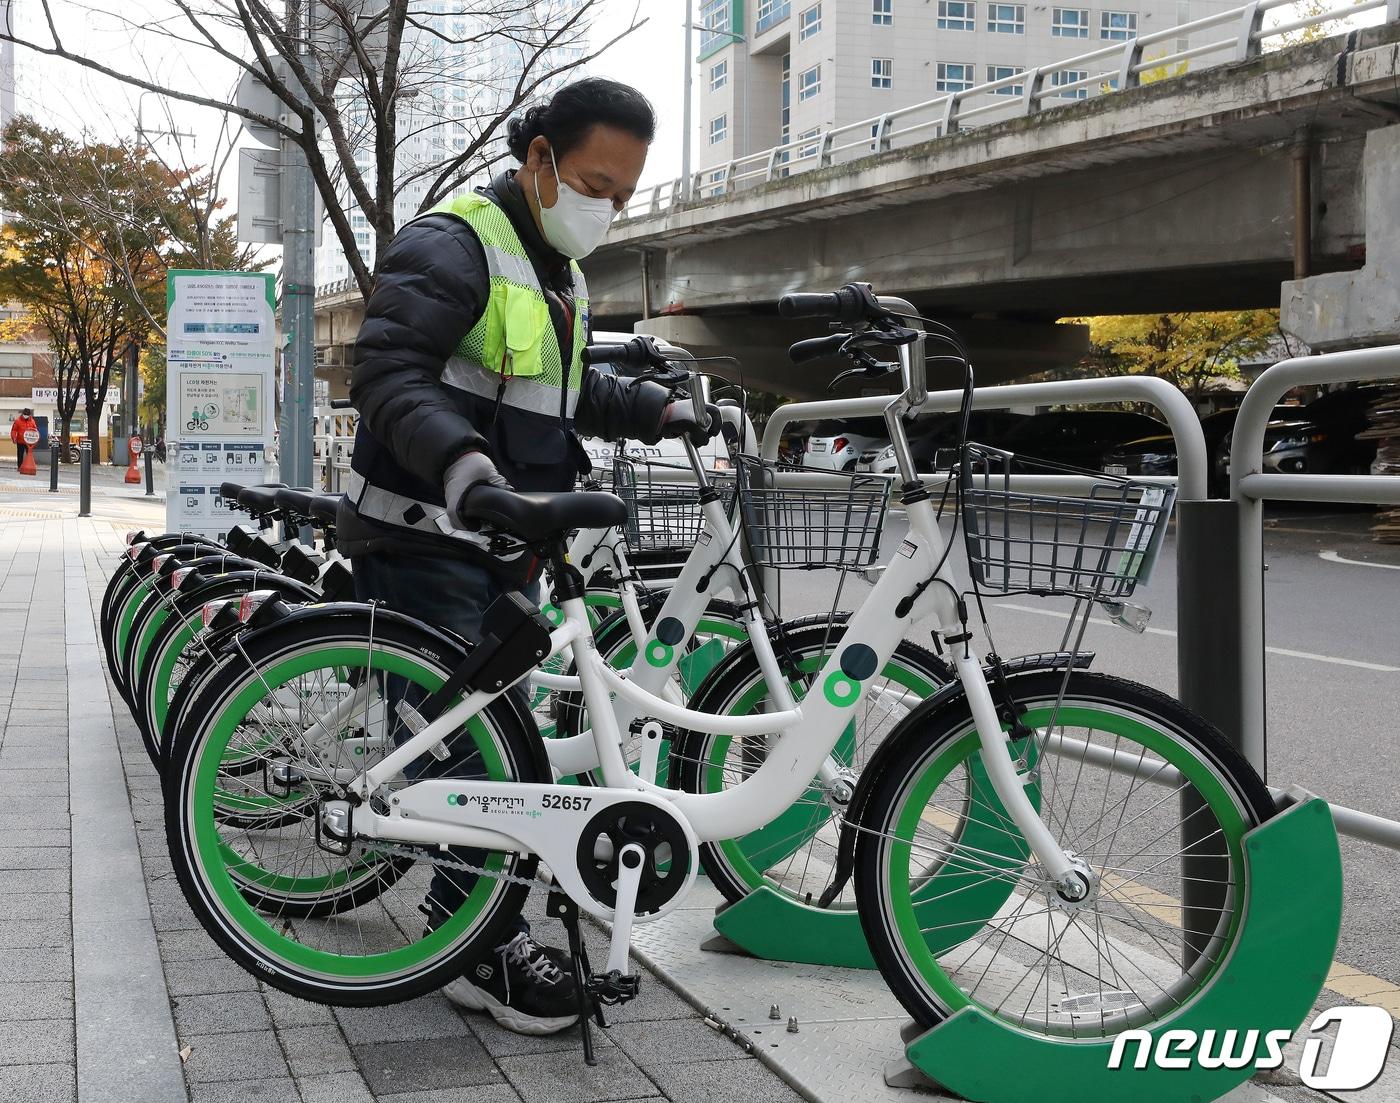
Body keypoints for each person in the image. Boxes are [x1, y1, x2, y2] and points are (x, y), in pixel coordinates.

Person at [339, 78, 714, 1036]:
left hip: (498, 541)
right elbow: (385, 371)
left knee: (504, 737)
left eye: (623, 195)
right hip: (425, 532)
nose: (606, 208)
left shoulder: (558, 271)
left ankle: (477, 915)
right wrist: (463, 463)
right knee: (489, 752)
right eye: (594, 184)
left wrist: (660, 410)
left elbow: (566, 391)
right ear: (540, 158)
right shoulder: (454, 243)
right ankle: (480, 947)